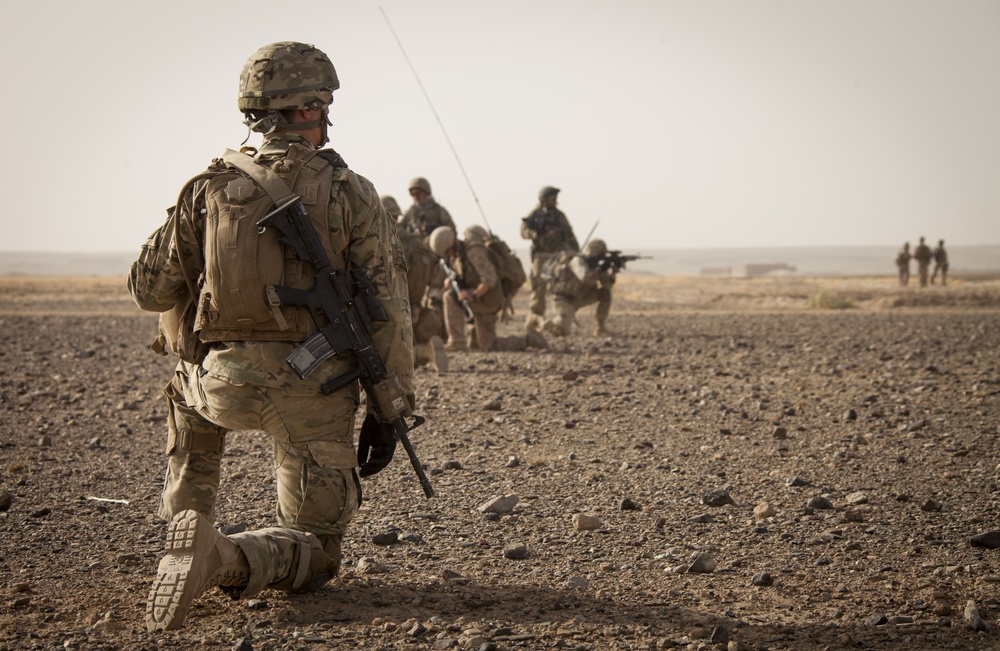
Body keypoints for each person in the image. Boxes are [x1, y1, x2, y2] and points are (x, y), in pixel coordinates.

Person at [127, 42, 414, 632]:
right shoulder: (352, 192)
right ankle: (225, 556)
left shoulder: (206, 188)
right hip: (311, 389)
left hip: (216, 384)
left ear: (253, 112)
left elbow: (149, 290)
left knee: (185, 392)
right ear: (315, 108)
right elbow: (389, 308)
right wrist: (390, 408)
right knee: (316, 550)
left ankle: (182, 526)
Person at [429, 225, 549, 352]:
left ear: (453, 243)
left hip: (488, 299)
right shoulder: (457, 255)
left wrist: (473, 294)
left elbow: (490, 279)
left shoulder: (474, 253)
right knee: (475, 343)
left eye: (448, 252)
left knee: (489, 345)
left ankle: (529, 340)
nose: (449, 255)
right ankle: (462, 338)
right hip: (481, 298)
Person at [383, 194, 448, 373]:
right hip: (416, 304)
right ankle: (424, 348)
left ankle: (425, 353)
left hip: (394, 304)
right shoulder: (415, 241)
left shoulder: (386, 239)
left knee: (387, 357)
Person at [520, 186, 578, 327]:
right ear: (544, 200)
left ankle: (560, 322)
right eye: (552, 199)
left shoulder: (559, 216)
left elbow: (569, 234)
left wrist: (575, 252)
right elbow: (523, 231)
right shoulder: (534, 215)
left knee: (560, 288)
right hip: (541, 257)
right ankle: (535, 321)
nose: (555, 202)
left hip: (558, 257)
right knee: (539, 290)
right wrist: (535, 234)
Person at [542, 239, 615, 337]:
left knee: (605, 294)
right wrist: (600, 269)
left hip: (580, 296)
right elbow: (585, 277)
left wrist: (612, 274)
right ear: (594, 252)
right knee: (564, 331)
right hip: (563, 298)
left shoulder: (596, 266)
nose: (601, 257)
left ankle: (600, 327)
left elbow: (607, 286)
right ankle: (543, 324)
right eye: (600, 254)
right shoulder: (578, 261)